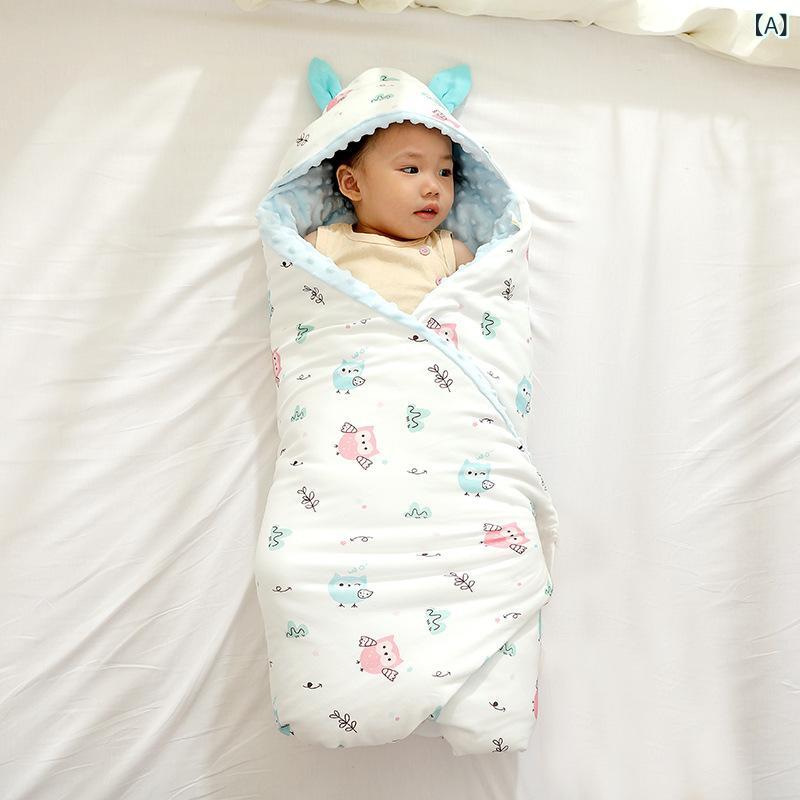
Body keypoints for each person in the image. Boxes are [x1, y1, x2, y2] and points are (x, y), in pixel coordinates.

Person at [303, 120, 475, 314]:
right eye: (411, 170)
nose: (434, 188)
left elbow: (481, 313)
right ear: (353, 184)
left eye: (444, 172)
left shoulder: (452, 255)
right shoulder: (321, 247)